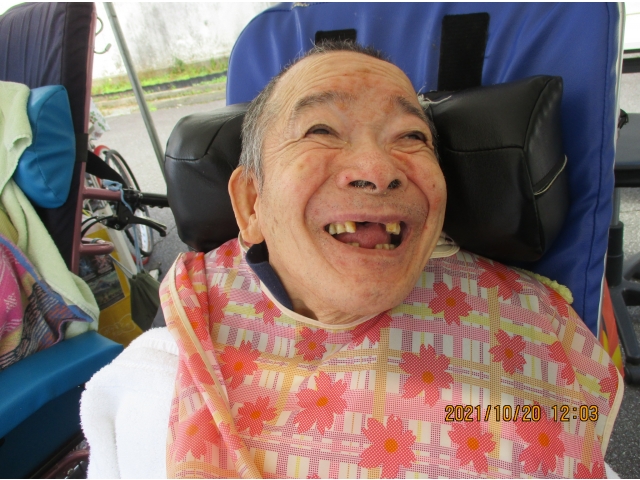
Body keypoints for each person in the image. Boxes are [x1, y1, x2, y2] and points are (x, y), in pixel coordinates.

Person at [81, 42, 622, 479]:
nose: (377, 170)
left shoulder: (526, 324)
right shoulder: (159, 382)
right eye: (321, 131)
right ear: (251, 203)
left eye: (411, 136)